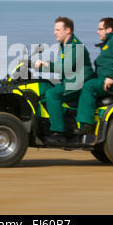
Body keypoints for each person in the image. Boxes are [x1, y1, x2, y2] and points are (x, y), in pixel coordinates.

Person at [34, 16, 94, 144]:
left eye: (57, 29)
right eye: (55, 29)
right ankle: (65, 121)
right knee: (44, 92)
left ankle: (59, 133)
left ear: (68, 30)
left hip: (79, 83)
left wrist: (44, 65)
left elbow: (63, 68)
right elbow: (58, 67)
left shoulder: (75, 46)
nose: (54, 32)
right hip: (70, 81)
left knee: (52, 94)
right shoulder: (65, 46)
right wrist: (36, 69)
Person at [75, 17, 113, 132]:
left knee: (89, 86)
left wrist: (110, 76)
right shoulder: (109, 42)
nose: (98, 32)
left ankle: (86, 124)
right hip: (105, 78)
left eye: (100, 29)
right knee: (83, 81)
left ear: (109, 29)